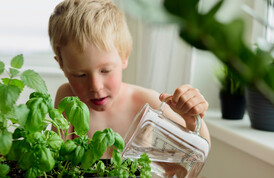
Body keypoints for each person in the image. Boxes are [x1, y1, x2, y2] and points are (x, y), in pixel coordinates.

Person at [48, 0, 211, 148]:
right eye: (80, 75)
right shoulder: (68, 99)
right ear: (62, 65)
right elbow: (57, 159)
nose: (95, 86)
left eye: (105, 70)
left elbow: (199, 148)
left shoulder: (146, 102)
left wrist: (192, 120)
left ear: (124, 57)